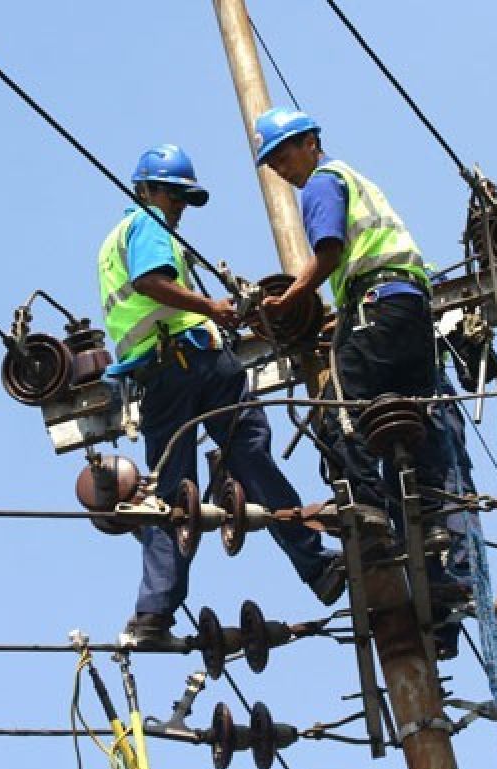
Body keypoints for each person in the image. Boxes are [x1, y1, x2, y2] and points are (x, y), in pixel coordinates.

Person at [98, 144, 345, 646]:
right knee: (251, 455)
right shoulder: (146, 225)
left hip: (158, 376)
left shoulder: (115, 241)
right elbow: (151, 281)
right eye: (173, 194)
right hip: (195, 360)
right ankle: (317, 567)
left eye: (184, 198)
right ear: (145, 189)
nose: (179, 206)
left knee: (172, 496)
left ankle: (153, 614)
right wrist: (213, 307)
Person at [254, 109, 462, 646]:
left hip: (372, 303)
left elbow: (329, 252)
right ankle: (432, 532)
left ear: (311, 143)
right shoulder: (357, 180)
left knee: (339, 415)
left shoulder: (323, 183)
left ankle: (368, 516)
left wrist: (291, 299)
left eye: (284, 155)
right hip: (411, 308)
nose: (282, 169)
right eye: (273, 163)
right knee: (409, 426)